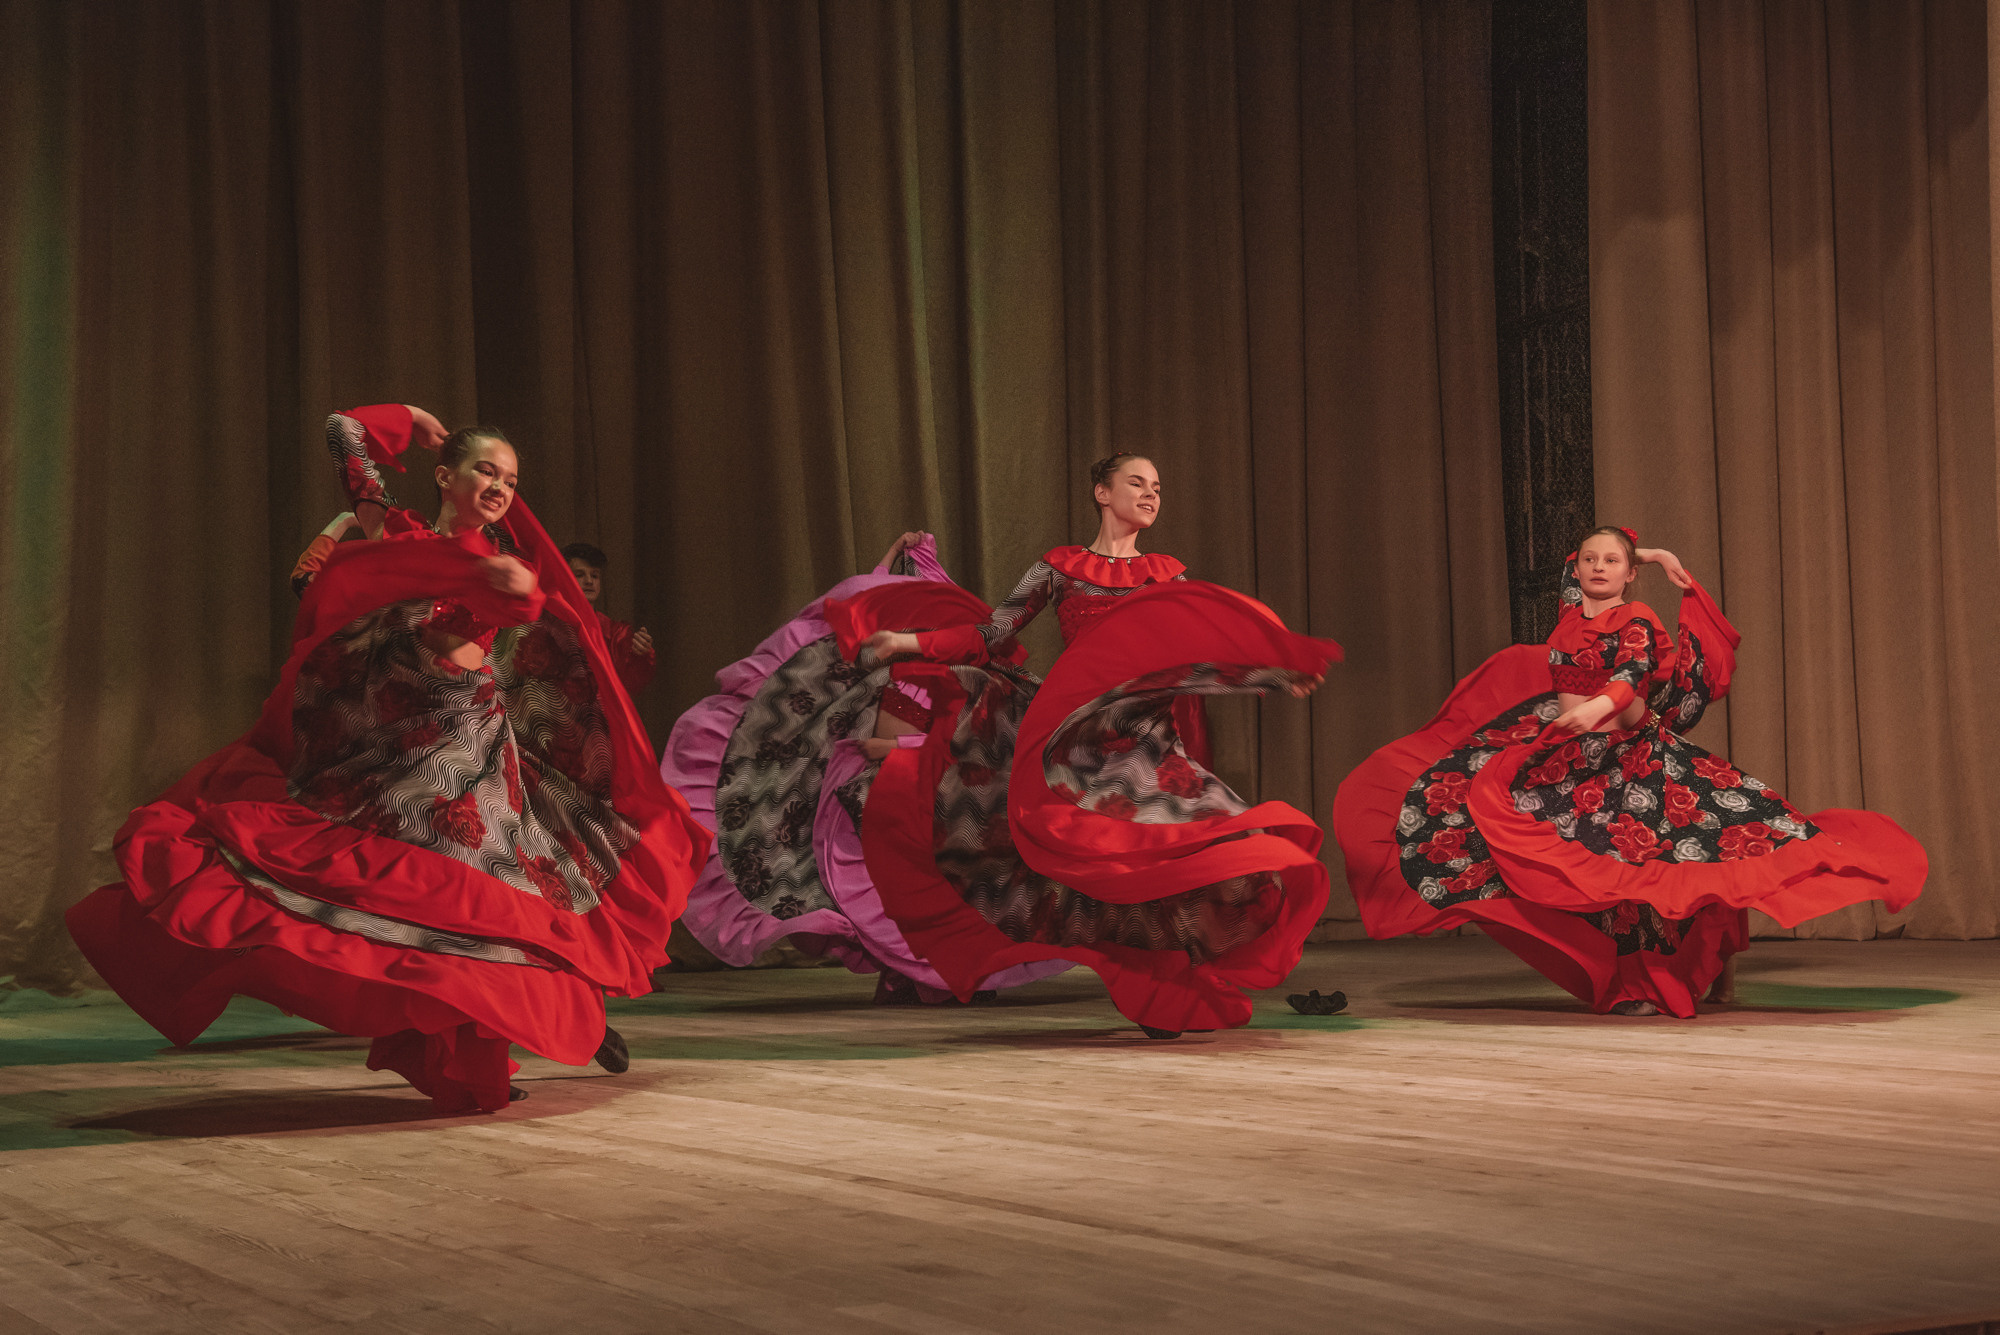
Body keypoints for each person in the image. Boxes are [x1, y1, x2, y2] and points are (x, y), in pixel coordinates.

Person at [68, 404, 709, 1112]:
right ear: (446, 476)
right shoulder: (397, 535)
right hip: (402, 753)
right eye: (485, 470)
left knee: (491, 896)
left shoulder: (512, 556)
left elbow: (547, 636)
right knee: (419, 897)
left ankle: (530, 1029)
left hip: (477, 745)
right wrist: (404, 419)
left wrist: (514, 589)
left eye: (510, 477)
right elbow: (343, 435)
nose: (499, 485)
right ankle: (465, 1039)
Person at [666, 453, 1341, 1037]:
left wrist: (1273, 673)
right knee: (1081, 864)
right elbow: (991, 634)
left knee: (1205, 849)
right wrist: (909, 643)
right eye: (1138, 481)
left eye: (1158, 486)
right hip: (1079, 738)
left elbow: (1202, 642)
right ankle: (1152, 980)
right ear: (1102, 493)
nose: (1152, 493)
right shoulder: (1059, 567)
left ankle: (1175, 976)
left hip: (1149, 733)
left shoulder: (1167, 573)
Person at [1333, 526, 1927, 1016]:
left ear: (1628, 574)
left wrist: (1593, 707)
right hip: (1568, 757)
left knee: (1657, 868)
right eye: (1591, 559)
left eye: (1612, 560)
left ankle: (1651, 985)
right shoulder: (1570, 614)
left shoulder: (1637, 616)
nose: (1597, 568)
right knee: (1467, 815)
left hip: (1628, 759)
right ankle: (1651, 977)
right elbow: (1577, 570)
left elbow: (1632, 676)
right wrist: (1647, 550)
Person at [562, 542, 657, 700]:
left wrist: (641, 654)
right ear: (564, 579)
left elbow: (633, 682)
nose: (589, 581)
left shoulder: (616, 633)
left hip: (602, 718)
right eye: (579, 574)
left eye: (595, 575)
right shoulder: (550, 627)